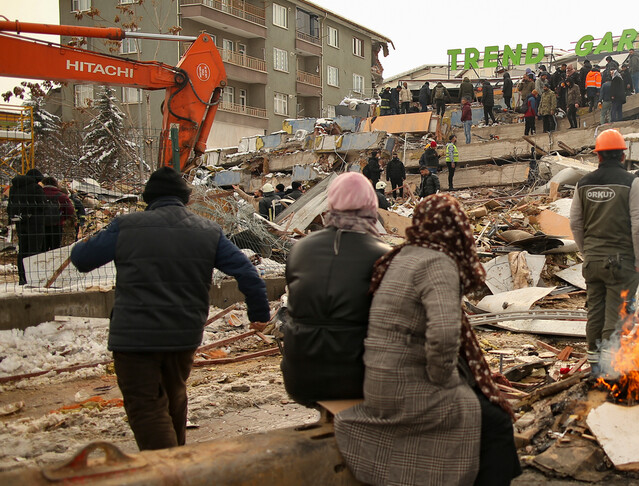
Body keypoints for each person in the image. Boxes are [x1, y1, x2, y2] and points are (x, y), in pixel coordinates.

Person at [71, 167, 270, 450]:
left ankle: (168, 472)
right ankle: (177, 466)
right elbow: (248, 274)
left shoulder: (127, 225)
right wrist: (259, 314)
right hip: (183, 335)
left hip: (134, 337)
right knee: (174, 397)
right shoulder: (208, 231)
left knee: (146, 406)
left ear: (148, 198)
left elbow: (81, 258)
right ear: (186, 199)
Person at [334, 195, 521, 486]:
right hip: (408, 386)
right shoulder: (438, 263)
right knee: (495, 421)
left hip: (380, 378)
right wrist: (443, 381)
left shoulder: (402, 255)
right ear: (457, 230)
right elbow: (444, 336)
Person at [282, 173, 391, 405]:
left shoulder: (300, 249)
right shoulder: (382, 255)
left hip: (299, 378)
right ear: (372, 205)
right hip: (359, 379)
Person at [569, 129, 639, 376]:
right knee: (615, 315)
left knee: (595, 313)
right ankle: (608, 369)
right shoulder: (631, 182)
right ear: (623, 156)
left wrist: (587, 251)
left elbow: (575, 222)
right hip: (621, 262)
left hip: (593, 261)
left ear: (599, 157)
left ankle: (594, 364)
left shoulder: (583, 183)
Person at [7, 175, 50, 285]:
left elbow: (9, 206)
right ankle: (33, 277)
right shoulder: (36, 188)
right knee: (34, 250)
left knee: (22, 250)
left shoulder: (14, 188)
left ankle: (22, 276)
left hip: (20, 223)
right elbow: (43, 205)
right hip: (35, 224)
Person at [41, 176, 75, 251]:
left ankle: (42, 262)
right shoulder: (62, 196)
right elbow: (70, 210)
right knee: (55, 249)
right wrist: (62, 218)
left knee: (42, 249)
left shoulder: (38, 195)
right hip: (56, 225)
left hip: (41, 226)